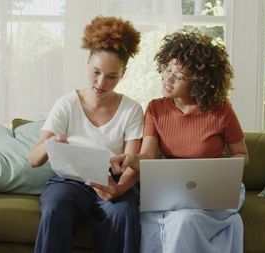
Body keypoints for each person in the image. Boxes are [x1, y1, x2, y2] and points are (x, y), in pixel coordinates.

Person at [107, 29, 250, 253]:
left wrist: (223, 171)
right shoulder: (155, 108)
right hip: (173, 191)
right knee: (181, 219)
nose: (168, 79)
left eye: (179, 76)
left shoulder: (221, 110)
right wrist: (130, 159)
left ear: (199, 82)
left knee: (185, 220)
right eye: (167, 69)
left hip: (212, 191)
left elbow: (242, 155)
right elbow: (146, 157)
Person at [28, 16, 143, 253]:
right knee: (55, 207)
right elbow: (33, 159)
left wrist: (118, 190)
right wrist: (51, 143)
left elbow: (132, 164)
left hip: (111, 182)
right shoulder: (67, 104)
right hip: (69, 182)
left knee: (123, 212)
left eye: (112, 76)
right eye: (96, 72)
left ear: (124, 73)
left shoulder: (132, 109)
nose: (101, 82)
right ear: (88, 62)